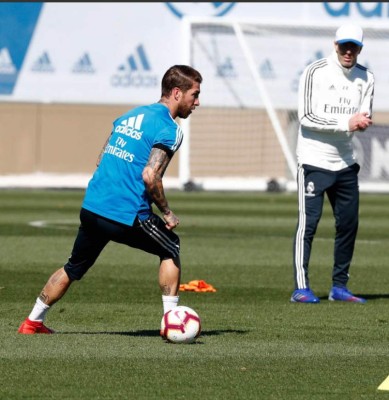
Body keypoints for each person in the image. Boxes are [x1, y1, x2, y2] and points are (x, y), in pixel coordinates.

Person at [18, 65, 203, 334]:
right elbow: (151, 175)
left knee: (73, 267)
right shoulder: (169, 129)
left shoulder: (130, 115)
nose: (196, 102)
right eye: (194, 95)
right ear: (177, 93)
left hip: (92, 207)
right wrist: (167, 212)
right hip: (125, 213)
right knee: (170, 247)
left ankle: (32, 322)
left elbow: (100, 158)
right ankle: (170, 323)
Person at [290, 24, 374, 304]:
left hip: (346, 163)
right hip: (313, 161)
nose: (348, 51)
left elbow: (362, 115)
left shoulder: (366, 78)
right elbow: (305, 117)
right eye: (344, 45)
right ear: (335, 44)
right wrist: (345, 122)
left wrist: (361, 123)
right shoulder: (315, 72)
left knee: (349, 224)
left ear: (360, 49)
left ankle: (339, 287)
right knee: (308, 225)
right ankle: (301, 288)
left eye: (354, 46)